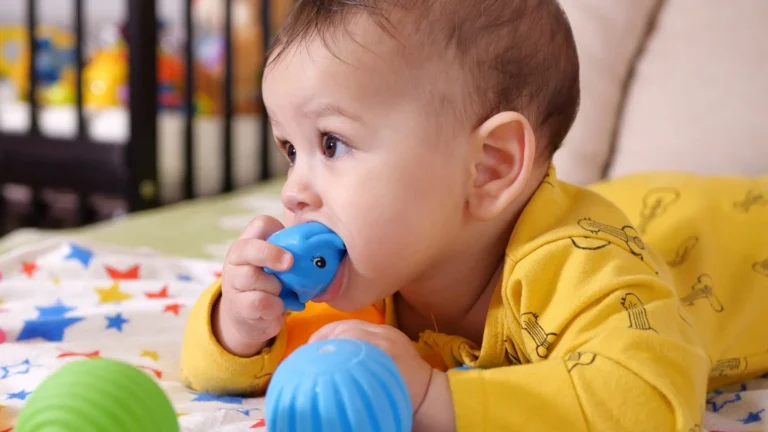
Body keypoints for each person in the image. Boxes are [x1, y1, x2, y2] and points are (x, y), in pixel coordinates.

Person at [180, 0, 768, 430]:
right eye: (290, 150)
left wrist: (434, 399)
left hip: (739, 234)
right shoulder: (377, 270)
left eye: (331, 143)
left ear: (488, 167)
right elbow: (243, 368)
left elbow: (650, 397)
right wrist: (240, 325)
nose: (293, 193)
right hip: (641, 200)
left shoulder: (578, 270)